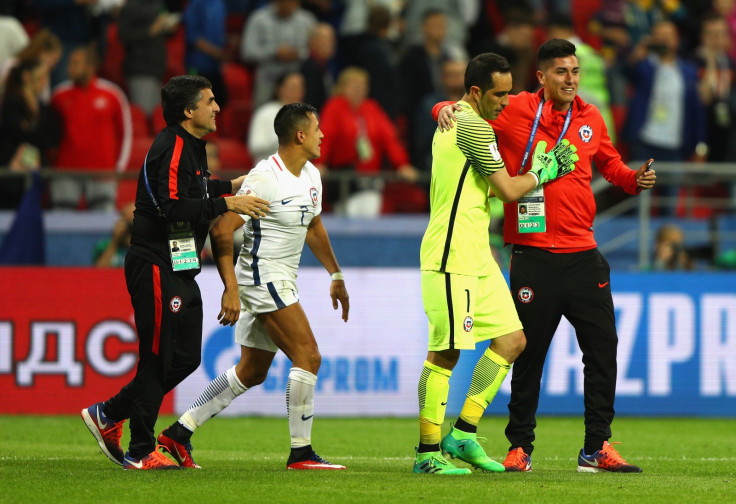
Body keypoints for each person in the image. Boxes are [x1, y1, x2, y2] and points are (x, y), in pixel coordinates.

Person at [435, 38, 657, 473]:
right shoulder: (514, 108)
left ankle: (597, 447)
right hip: (533, 253)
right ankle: (520, 447)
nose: (571, 79)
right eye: (561, 72)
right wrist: (440, 106)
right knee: (528, 353)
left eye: (575, 72)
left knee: (602, 349)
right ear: (541, 77)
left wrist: (634, 179)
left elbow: (610, 165)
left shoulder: (591, 117)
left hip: (583, 253)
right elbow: (469, 110)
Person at [81, 75, 271, 470]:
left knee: (183, 358)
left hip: (180, 267)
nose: (218, 108)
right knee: (157, 357)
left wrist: (229, 185)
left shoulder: (192, 148)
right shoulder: (170, 145)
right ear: (189, 111)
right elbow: (171, 206)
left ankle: (110, 413)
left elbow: (196, 190)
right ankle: (140, 450)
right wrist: (227, 201)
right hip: (154, 263)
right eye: (210, 101)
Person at [157, 102, 349, 471]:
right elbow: (222, 228)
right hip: (262, 276)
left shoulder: (312, 175)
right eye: (317, 128)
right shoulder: (265, 178)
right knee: (308, 356)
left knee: (252, 370)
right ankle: (301, 453)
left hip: (281, 277)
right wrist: (230, 288)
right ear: (300, 135)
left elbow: (314, 227)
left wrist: (335, 274)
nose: (323, 134)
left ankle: (178, 433)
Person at [414, 52, 579, 475]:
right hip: (451, 256)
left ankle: (464, 434)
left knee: (512, 341)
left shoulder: (463, 119)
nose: (506, 102)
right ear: (474, 93)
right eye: (498, 94)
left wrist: (441, 105)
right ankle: (427, 454)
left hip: (478, 257)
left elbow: (482, 191)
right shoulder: (469, 125)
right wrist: (545, 170)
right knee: (445, 354)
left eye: (509, 92)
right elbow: (506, 189)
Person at [315, 66, 419, 216]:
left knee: (370, 212)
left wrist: (402, 164)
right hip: (345, 179)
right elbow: (325, 137)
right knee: (348, 215)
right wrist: (319, 163)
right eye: (354, 86)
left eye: (363, 86)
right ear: (342, 87)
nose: (359, 90)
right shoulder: (334, 107)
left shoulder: (372, 108)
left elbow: (390, 139)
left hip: (371, 180)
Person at [50, 44, 132, 211]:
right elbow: (48, 135)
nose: (69, 68)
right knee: (60, 221)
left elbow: (126, 135)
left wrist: (118, 170)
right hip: (65, 172)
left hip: (102, 172)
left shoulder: (112, 94)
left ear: (90, 66)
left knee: (104, 225)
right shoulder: (59, 95)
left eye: (75, 63)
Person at [0, 57, 61, 209]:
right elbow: (16, 131)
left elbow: (53, 136)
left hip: (35, 172)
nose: (44, 81)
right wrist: (34, 132)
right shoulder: (11, 100)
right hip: (10, 175)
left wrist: (30, 129)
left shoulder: (43, 107)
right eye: (40, 76)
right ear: (26, 76)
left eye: (46, 77)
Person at [240, 0, 316, 107]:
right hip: (268, 78)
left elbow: (315, 50)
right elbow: (247, 52)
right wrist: (275, 52)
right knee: (262, 113)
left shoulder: (307, 20)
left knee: (301, 115)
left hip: (297, 77)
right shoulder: (258, 19)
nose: (289, 5)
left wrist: (298, 54)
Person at [248, 71, 305, 163]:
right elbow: (254, 147)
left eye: (300, 87)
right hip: (267, 170)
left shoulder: (308, 115)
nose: (297, 91)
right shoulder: (265, 112)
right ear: (280, 88)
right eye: (293, 87)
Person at [93, 202, 135, 267]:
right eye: (127, 222)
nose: (130, 228)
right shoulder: (104, 245)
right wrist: (115, 241)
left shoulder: (148, 246)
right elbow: (99, 272)